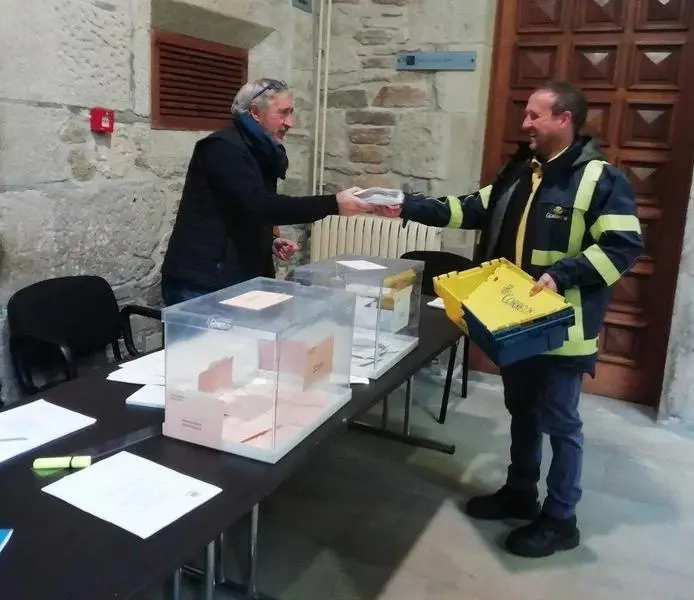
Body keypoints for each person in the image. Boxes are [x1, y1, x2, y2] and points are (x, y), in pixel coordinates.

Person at [375, 81, 644, 558]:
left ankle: (562, 518)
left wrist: (564, 273)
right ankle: (521, 491)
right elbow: (468, 209)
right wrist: (404, 204)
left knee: (561, 423)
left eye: (535, 116)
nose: (525, 124)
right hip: (513, 323)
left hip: (564, 329)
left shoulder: (601, 179)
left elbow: (622, 248)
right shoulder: (519, 171)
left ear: (564, 119)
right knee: (522, 411)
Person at [160, 77, 372, 305]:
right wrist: (334, 203)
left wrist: (268, 240)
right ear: (254, 112)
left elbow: (240, 209)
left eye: (291, 112)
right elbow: (260, 205)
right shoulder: (223, 148)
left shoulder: (259, 149)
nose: (289, 122)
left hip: (234, 275)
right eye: (283, 113)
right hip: (203, 281)